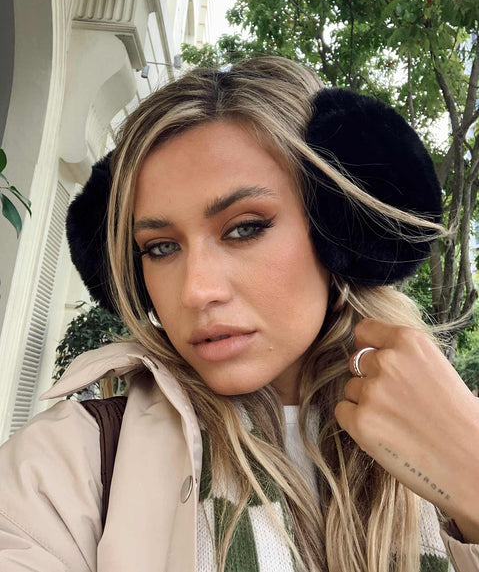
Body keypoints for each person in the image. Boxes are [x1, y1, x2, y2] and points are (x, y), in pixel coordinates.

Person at [1, 56, 478, 572]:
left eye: (244, 228)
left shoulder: (452, 434)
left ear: (340, 233)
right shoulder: (68, 463)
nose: (196, 291)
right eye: (160, 247)